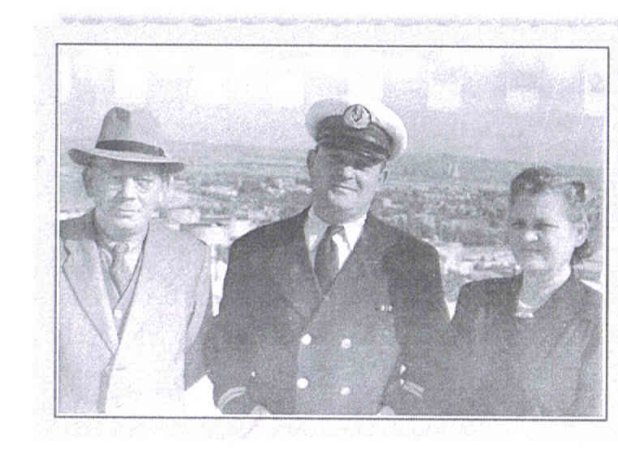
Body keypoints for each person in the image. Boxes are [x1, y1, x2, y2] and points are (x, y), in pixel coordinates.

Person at [206, 97, 449, 415]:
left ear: (383, 178)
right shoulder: (256, 251)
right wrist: (244, 408)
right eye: (335, 158)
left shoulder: (411, 260)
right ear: (311, 162)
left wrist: (393, 418)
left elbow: (434, 360)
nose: (346, 172)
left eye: (362, 164)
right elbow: (226, 347)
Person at [58, 107, 212, 415]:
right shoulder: (45, 246)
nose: (128, 193)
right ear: (90, 183)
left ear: (164, 189)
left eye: (143, 181)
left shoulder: (192, 258)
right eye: (114, 178)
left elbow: (195, 356)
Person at [449, 166, 603, 416]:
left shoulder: (598, 318)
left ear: (579, 232)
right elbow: (442, 392)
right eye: (518, 224)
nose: (527, 236)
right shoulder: (477, 301)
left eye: (543, 226)